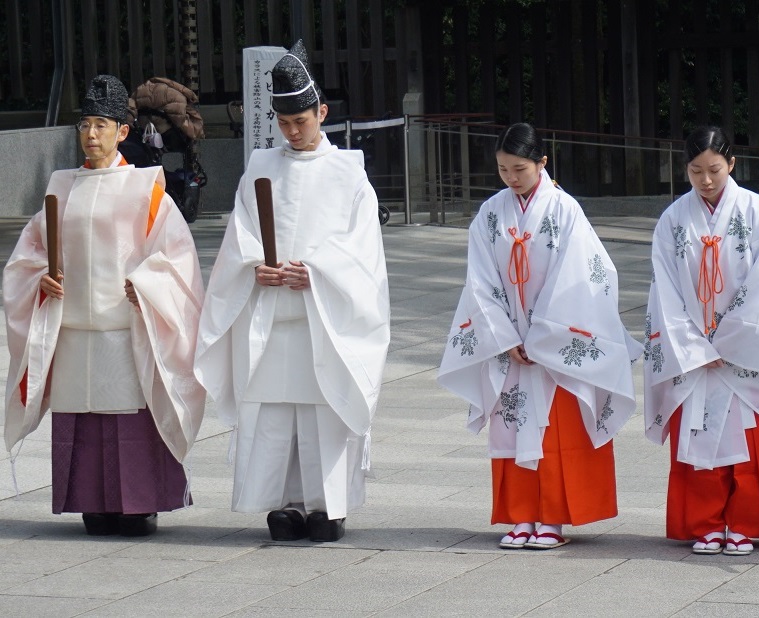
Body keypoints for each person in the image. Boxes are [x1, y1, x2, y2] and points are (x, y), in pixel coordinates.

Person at [194, 40, 390, 543]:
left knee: (323, 412)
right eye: (284, 123)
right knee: (275, 411)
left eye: (301, 121)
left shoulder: (349, 173)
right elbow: (241, 234)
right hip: (271, 314)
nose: (293, 131)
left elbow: (362, 248)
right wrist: (254, 266)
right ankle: (280, 503)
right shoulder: (261, 167)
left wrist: (318, 272)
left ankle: (328, 505)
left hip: (324, 318)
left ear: (321, 112)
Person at [3, 74, 206, 536]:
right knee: (83, 418)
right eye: (85, 125)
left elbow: (176, 256)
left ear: (122, 132)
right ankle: (89, 501)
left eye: (101, 125)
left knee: (129, 417)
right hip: (73, 328)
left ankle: (140, 503)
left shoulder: (147, 190)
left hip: (125, 325)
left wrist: (149, 283)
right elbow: (28, 256)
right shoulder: (61, 188)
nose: (91, 135)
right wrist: (42, 280)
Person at [438, 123, 640, 549]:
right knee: (511, 426)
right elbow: (479, 280)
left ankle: (553, 518)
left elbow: (586, 276)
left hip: (554, 345)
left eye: (520, 169)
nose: (511, 178)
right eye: (503, 169)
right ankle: (520, 515)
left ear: (542, 163)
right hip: (510, 342)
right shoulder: (491, 214)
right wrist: (504, 336)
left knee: (557, 430)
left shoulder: (565, 210)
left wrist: (543, 335)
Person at [643, 126, 759, 556]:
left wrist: (729, 340)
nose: (706, 180)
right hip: (695, 347)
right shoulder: (673, 220)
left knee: (754, 439)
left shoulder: (756, 211)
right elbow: (665, 290)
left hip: (748, 346)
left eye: (714, 169)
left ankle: (746, 522)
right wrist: (694, 346)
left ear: (732, 164)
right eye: (696, 171)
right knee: (700, 436)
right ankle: (706, 523)